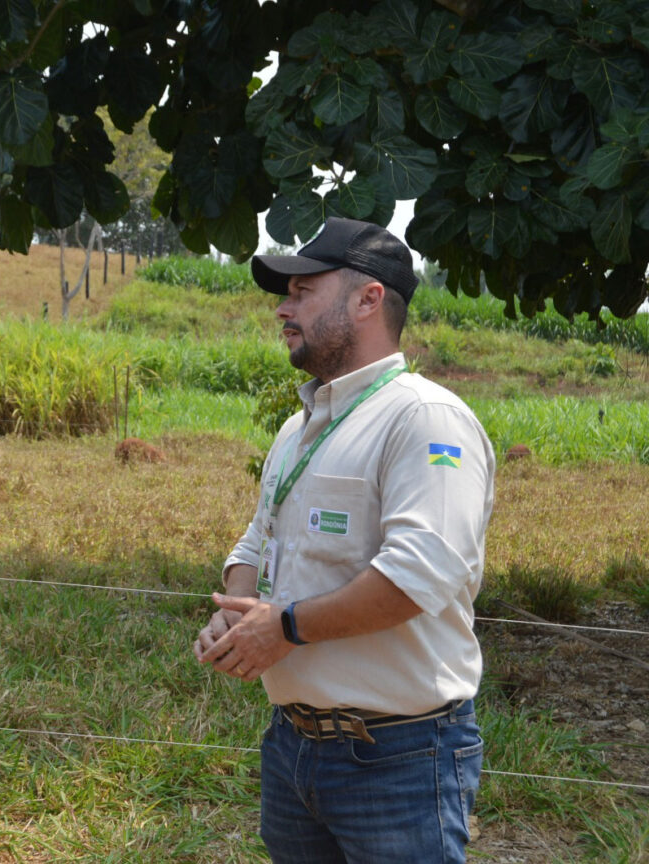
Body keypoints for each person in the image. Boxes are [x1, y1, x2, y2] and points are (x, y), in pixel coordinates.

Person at [192, 217, 495, 863]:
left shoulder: (424, 418)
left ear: (368, 299)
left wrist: (286, 628)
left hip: (401, 756)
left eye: (303, 291)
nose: (283, 307)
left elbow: (422, 573)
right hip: (292, 744)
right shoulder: (298, 428)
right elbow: (256, 540)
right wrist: (234, 615)